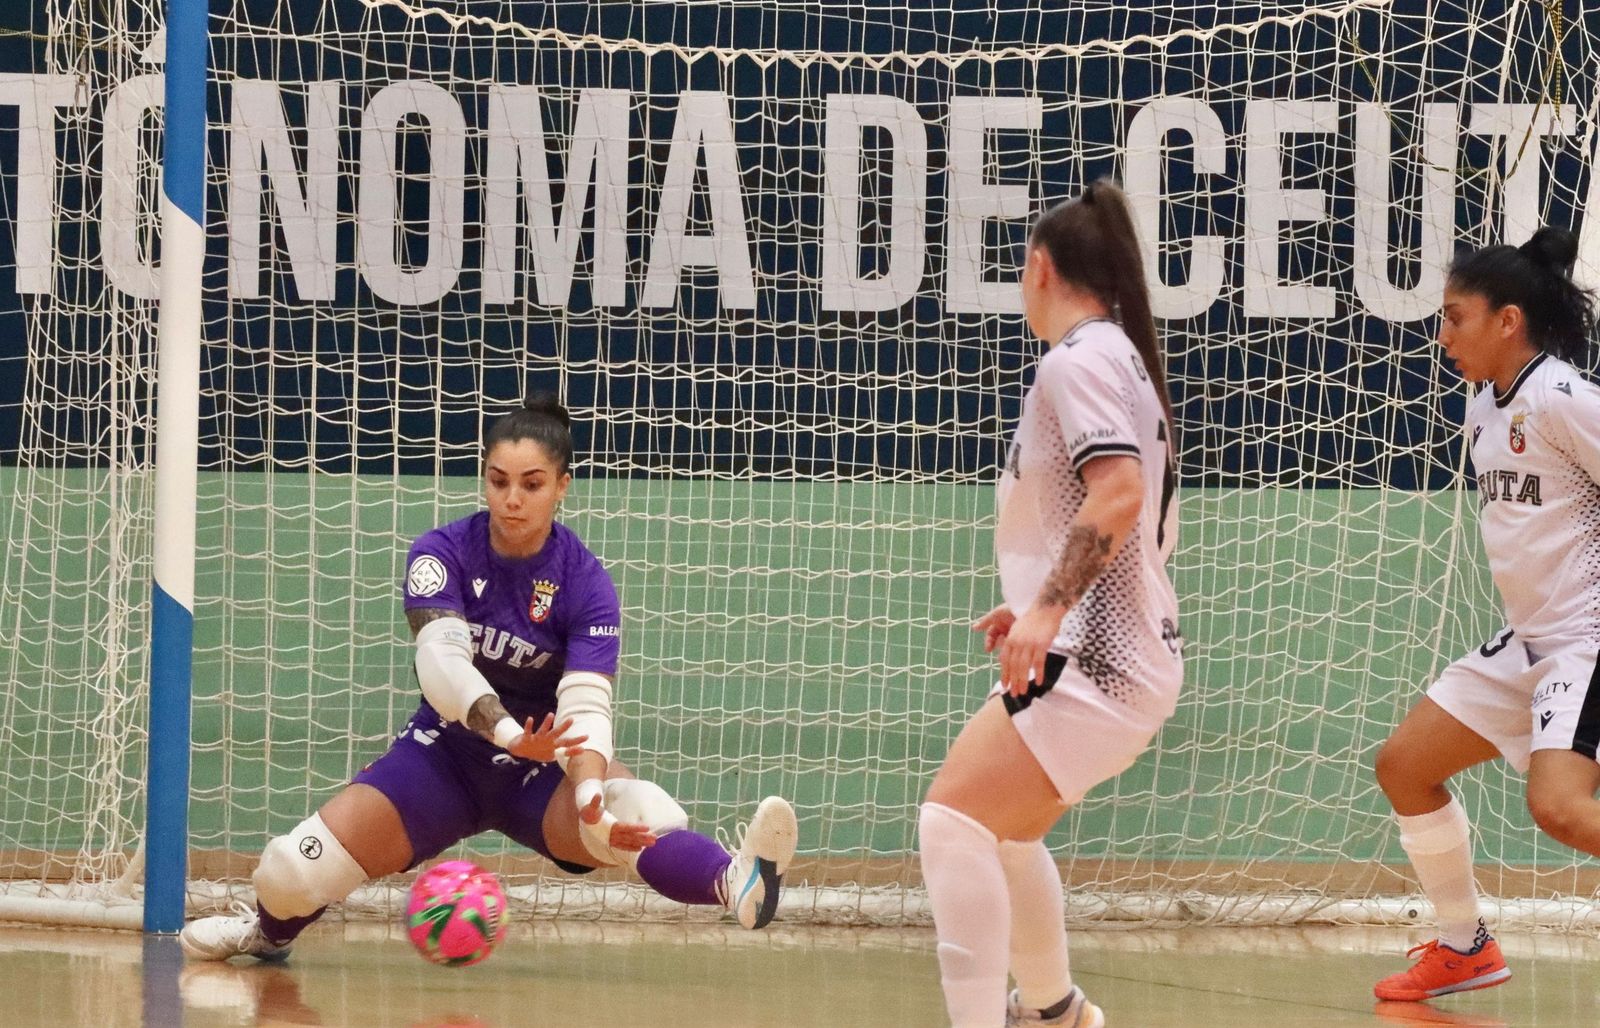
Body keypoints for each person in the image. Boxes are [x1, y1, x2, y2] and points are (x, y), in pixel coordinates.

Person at [180, 395, 798, 961]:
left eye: (532, 484)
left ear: (562, 486)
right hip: (446, 757)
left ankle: (734, 880)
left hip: (544, 769)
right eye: (499, 481)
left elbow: (586, 705)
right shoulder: (442, 552)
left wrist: (585, 798)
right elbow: (442, 665)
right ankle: (266, 935)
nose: (512, 499)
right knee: (289, 872)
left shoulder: (586, 584)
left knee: (632, 807)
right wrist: (505, 732)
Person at [918, 180, 1182, 1028]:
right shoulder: (1119, 356)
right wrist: (1036, 599)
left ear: (1039, 268)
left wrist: (1047, 613)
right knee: (1004, 834)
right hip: (1126, 657)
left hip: (1101, 660)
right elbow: (1107, 513)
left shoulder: (1080, 358)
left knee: (950, 822)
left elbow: (1117, 496)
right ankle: (1055, 1011)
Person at [1372, 226, 1600, 1002]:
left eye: (1454, 317)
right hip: (1527, 642)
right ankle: (1465, 946)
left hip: (1586, 640)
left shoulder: (1563, 398)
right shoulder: (1483, 408)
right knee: (1405, 767)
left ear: (1507, 321)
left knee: (1560, 809)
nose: (1442, 336)